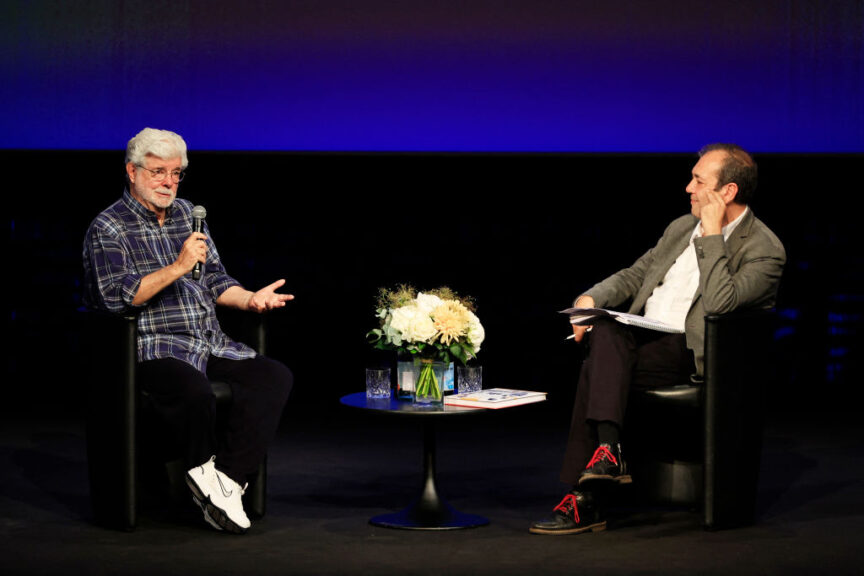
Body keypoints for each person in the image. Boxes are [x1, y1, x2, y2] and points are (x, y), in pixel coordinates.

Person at [529, 143, 785, 535]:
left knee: (599, 358)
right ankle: (607, 457)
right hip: (642, 340)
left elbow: (719, 304)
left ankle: (586, 498)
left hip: (693, 351)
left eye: (699, 181)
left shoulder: (764, 249)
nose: (688, 188)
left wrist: (713, 235)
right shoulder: (681, 227)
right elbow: (638, 273)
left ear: (727, 192)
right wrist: (591, 298)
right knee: (606, 328)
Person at [83, 128, 294, 534]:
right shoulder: (108, 227)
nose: (168, 182)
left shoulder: (186, 215)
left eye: (176, 173)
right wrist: (178, 266)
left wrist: (250, 299)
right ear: (132, 171)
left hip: (207, 340)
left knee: (273, 376)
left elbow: (214, 278)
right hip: (150, 347)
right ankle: (211, 485)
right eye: (158, 171)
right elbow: (114, 298)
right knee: (193, 390)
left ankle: (226, 482)